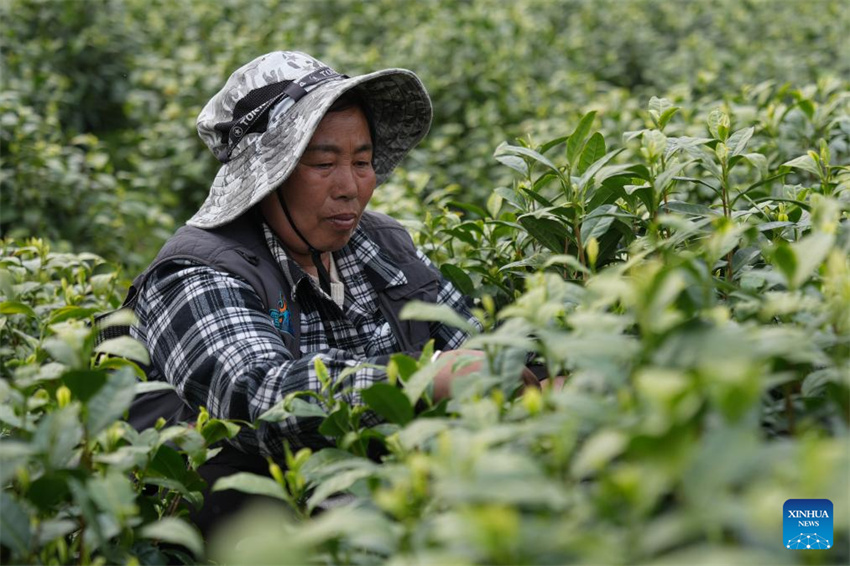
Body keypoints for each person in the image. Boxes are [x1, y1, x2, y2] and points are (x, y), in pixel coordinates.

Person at [119, 50, 538, 536]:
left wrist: (531, 368)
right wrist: (413, 379)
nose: (351, 187)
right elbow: (255, 395)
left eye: (362, 162)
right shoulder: (195, 271)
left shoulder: (379, 243)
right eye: (323, 163)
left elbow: (468, 337)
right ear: (266, 179)